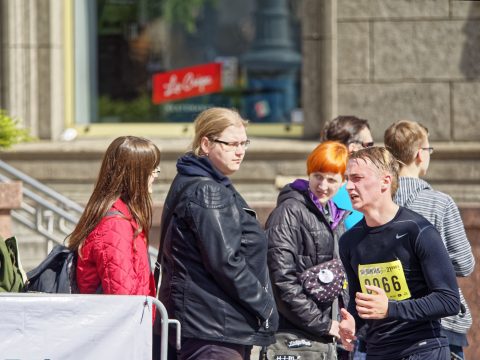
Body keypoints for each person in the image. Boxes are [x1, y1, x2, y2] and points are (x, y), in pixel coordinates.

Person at [155, 107, 278, 360]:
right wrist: (265, 306)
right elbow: (225, 262)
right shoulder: (207, 191)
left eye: (244, 143)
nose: (240, 151)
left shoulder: (196, 180)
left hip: (210, 326)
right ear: (206, 143)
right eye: (232, 143)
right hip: (213, 331)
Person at [338, 146, 461, 360]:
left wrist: (391, 308)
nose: (348, 186)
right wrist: (352, 323)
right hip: (378, 351)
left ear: (385, 182)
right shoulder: (349, 240)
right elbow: (361, 303)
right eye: (347, 178)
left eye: (357, 178)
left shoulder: (418, 231)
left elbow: (449, 300)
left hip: (422, 349)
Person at [384, 120, 475, 359]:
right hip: (440, 321)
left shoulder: (378, 203)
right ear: (419, 155)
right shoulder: (439, 203)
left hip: (388, 318)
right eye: (428, 149)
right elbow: (465, 264)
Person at [265, 141, 350, 360]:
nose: (323, 185)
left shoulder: (335, 215)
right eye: (318, 176)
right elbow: (282, 280)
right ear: (308, 174)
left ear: (343, 182)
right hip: (296, 336)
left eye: (331, 179)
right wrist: (323, 324)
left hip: (327, 335)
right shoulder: (289, 212)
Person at [68, 135, 160, 296]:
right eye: (152, 169)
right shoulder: (114, 225)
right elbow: (122, 297)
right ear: (134, 174)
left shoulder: (121, 217)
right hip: (123, 320)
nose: (156, 175)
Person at [321, 115, 374, 230]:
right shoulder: (347, 191)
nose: (373, 151)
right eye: (369, 145)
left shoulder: (318, 187)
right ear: (353, 148)